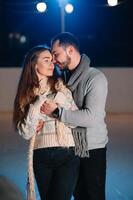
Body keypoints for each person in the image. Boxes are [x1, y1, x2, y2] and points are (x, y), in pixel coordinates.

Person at [40, 32, 108, 200]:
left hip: (92, 149)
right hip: (70, 148)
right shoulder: (61, 80)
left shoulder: (95, 77)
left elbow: (92, 117)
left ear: (70, 50)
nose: (54, 60)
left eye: (56, 54)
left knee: (93, 196)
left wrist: (56, 113)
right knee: (78, 196)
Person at [13, 45, 80, 200]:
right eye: (46, 60)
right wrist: (36, 107)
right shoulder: (26, 96)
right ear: (34, 64)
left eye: (52, 60)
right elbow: (25, 132)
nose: (52, 63)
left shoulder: (61, 89)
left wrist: (57, 108)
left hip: (66, 153)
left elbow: (75, 120)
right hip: (41, 156)